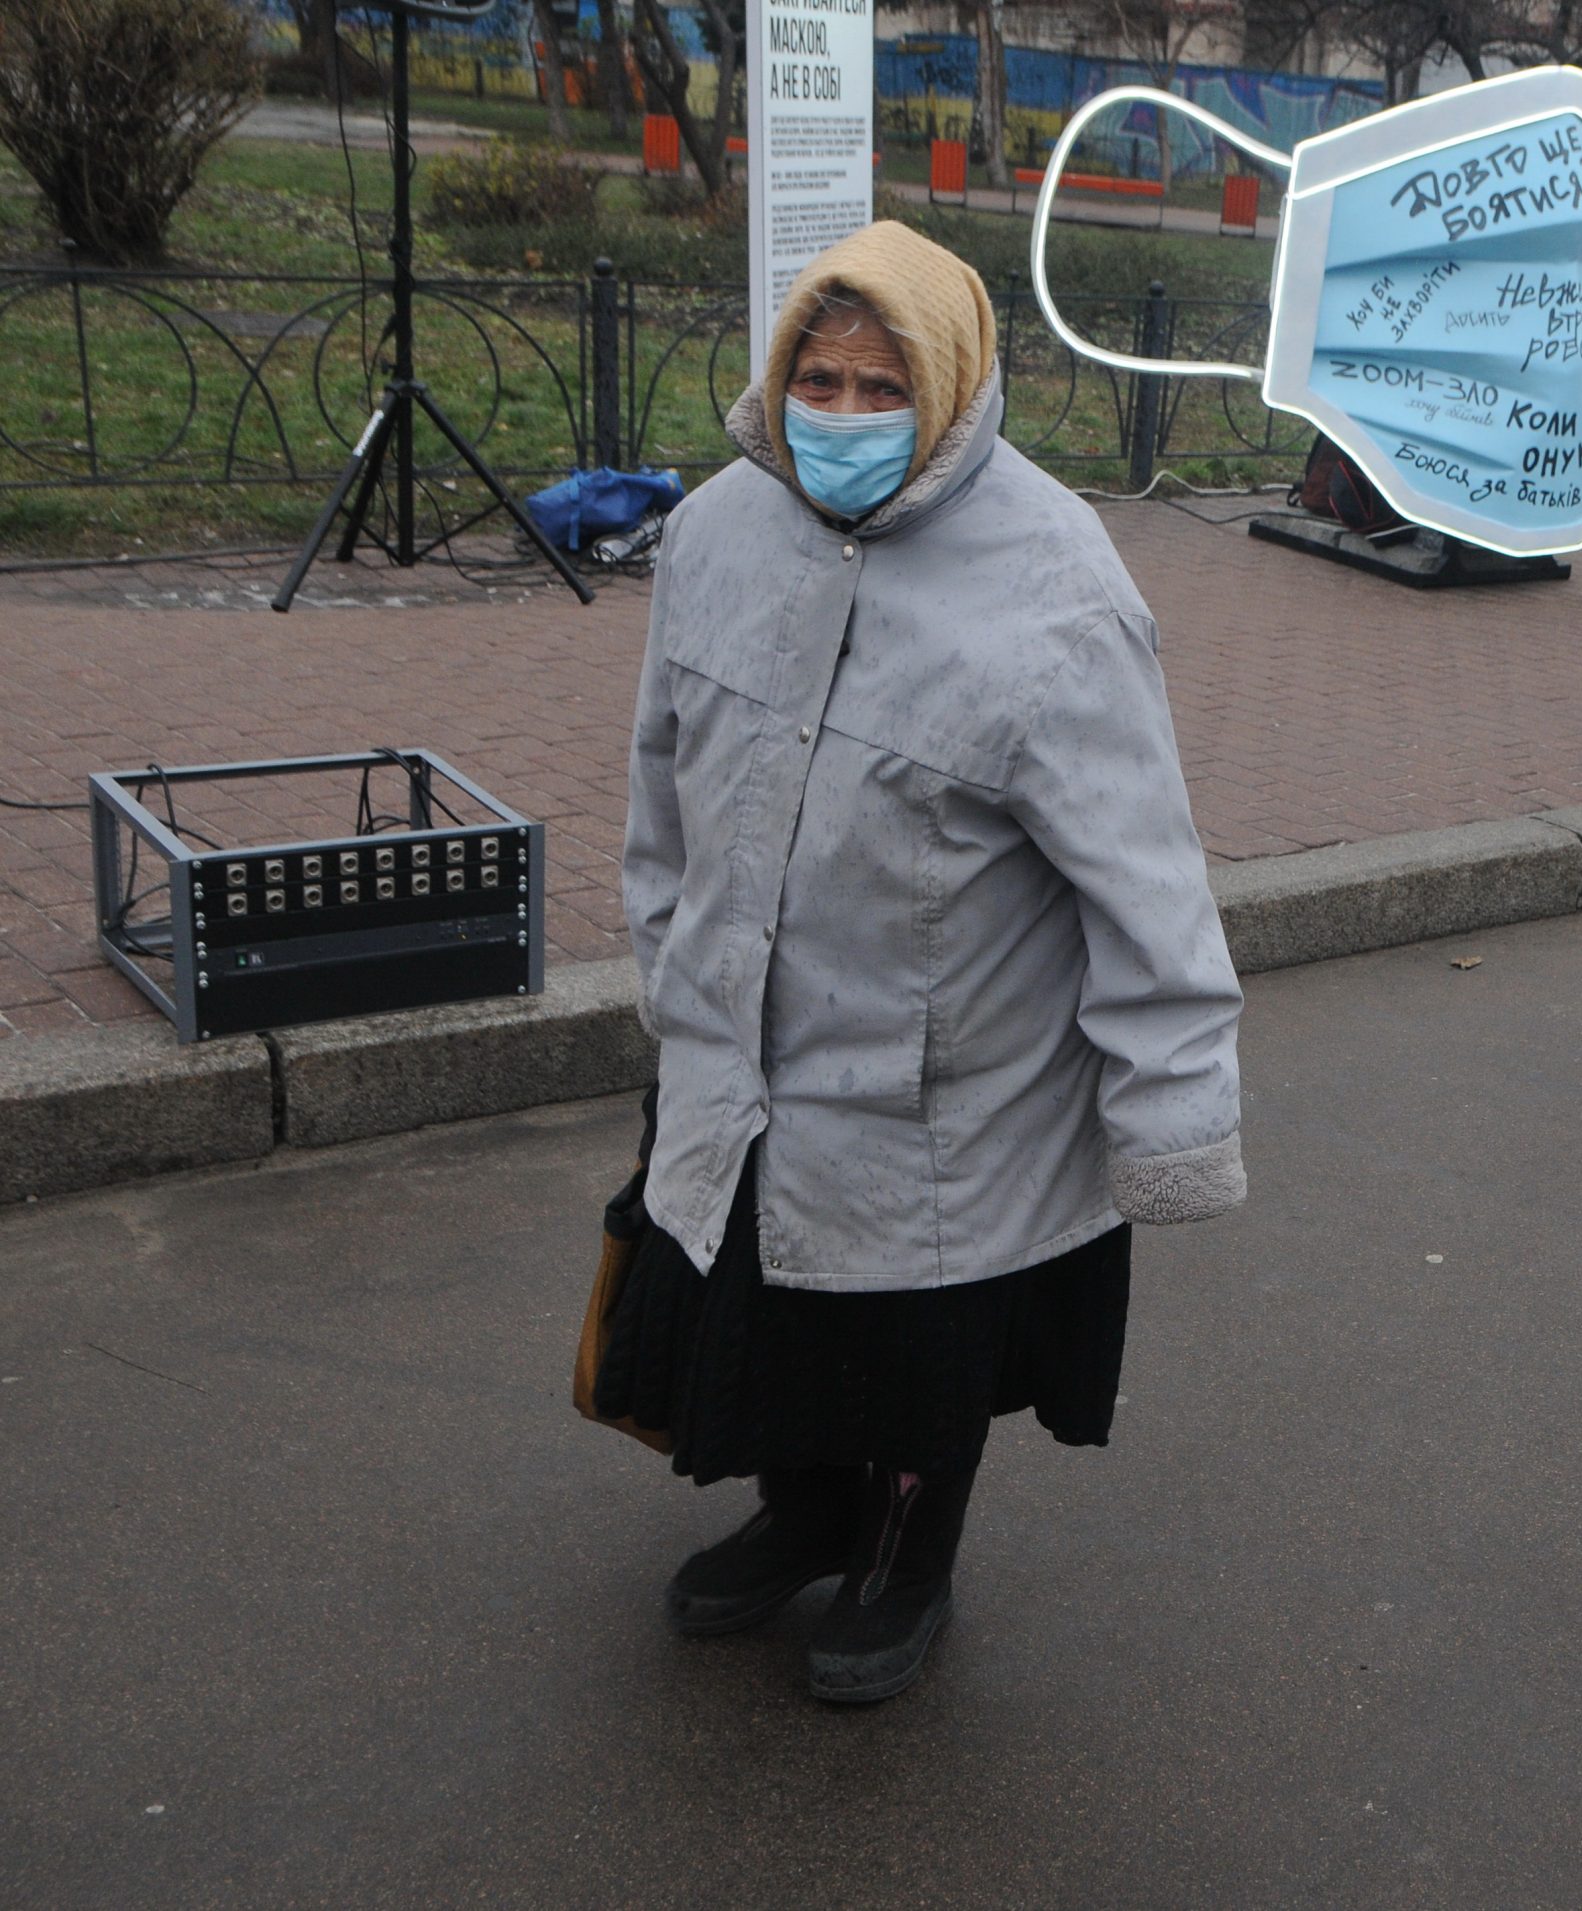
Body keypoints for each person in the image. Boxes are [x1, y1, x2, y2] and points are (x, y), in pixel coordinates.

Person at [596, 221, 1245, 1706]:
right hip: (756, 1035)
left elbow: (1148, 884)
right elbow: (661, 782)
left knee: (911, 1342)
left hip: (957, 1073)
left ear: (947, 385)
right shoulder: (714, 533)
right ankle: (806, 1507)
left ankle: (908, 1550)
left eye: (877, 387)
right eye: (814, 380)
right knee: (771, 1306)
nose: (837, 413)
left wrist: (1174, 1118)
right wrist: (674, 974)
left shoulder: (1058, 588)